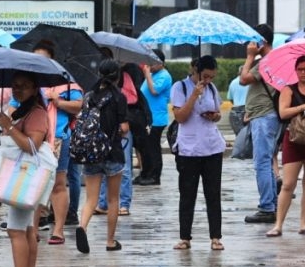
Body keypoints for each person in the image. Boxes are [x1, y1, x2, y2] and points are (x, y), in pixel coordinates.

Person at [0, 73, 50, 267]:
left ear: (35, 89)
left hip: (24, 176)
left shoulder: (36, 113)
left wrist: (10, 127)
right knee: (27, 230)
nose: (18, 90)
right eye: (15, 86)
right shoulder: (23, 110)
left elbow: (32, 146)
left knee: (15, 230)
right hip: (21, 176)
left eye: (24, 86)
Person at [265, 55, 305, 237]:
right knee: (288, 184)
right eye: (300, 69)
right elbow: (283, 113)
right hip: (293, 139)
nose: (303, 73)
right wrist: (304, 106)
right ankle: (278, 224)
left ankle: (304, 223)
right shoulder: (288, 90)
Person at [171, 55, 227, 251]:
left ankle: (215, 237)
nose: (208, 80)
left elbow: (218, 113)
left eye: (212, 77)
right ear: (195, 71)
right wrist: (194, 96)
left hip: (212, 147)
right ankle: (185, 237)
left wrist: (214, 116)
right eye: (205, 76)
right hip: (189, 148)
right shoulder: (181, 87)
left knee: (213, 193)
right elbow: (180, 117)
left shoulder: (211, 89)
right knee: (187, 193)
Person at [76, 59, 129, 254]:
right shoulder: (119, 98)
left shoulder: (89, 96)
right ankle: (110, 241)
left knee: (91, 198)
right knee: (113, 199)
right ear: (117, 76)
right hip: (112, 152)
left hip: (91, 152)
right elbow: (123, 127)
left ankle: (82, 226)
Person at [239, 23, 280, 224]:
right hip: (264, 115)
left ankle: (267, 207)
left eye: (252, 40)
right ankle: (271, 204)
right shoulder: (267, 60)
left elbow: (244, 79)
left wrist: (249, 56)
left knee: (262, 162)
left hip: (264, 116)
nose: (249, 44)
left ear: (261, 42)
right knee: (266, 160)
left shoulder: (267, 60)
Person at [97, 62, 149, 216]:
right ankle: (102, 203)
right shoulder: (97, 87)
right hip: (103, 131)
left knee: (124, 167)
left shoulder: (124, 79)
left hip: (122, 130)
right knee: (103, 168)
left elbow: (132, 98)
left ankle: (124, 203)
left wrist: (116, 93)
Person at [45, 80, 83, 245]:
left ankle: (61, 226)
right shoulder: (30, 83)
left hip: (61, 137)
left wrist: (57, 101)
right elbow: (13, 106)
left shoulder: (69, 86)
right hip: (34, 137)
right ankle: (34, 225)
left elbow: (78, 106)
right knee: (37, 183)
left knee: (62, 182)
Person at [135, 49, 172, 186]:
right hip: (147, 118)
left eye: (153, 62)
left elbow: (154, 91)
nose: (150, 65)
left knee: (153, 148)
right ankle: (145, 173)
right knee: (145, 148)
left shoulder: (164, 76)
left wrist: (147, 75)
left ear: (161, 63)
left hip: (157, 118)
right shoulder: (153, 74)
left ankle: (154, 176)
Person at [226, 69, 249, 135]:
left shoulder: (233, 82)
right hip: (247, 110)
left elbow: (230, 98)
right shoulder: (249, 82)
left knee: (240, 136)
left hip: (235, 111)